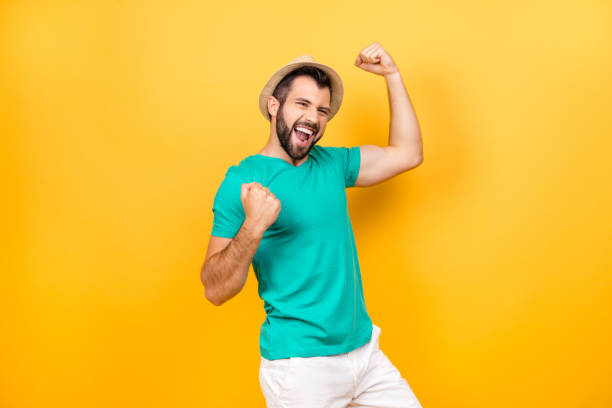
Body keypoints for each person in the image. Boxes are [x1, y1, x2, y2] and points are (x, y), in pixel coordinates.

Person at [200, 41, 424, 408]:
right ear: (275, 106)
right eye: (302, 104)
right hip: (301, 369)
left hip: (364, 353)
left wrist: (393, 76)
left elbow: (408, 153)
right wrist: (253, 227)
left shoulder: (333, 164)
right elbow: (215, 290)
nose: (314, 117)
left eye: (322, 110)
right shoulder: (242, 181)